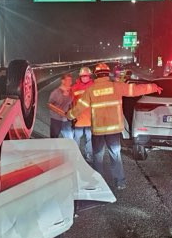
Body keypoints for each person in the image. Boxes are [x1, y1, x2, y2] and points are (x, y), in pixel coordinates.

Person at [67, 62, 162, 190]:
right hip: (113, 130)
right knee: (115, 155)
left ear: (96, 75)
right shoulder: (116, 86)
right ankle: (120, 182)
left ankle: (98, 182)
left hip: (98, 131)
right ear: (107, 74)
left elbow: (79, 108)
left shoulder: (91, 90)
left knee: (98, 157)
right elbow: (135, 90)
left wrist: (69, 115)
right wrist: (153, 87)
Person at [70, 67, 94, 162]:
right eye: (82, 76)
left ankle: (89, 156)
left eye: (86, 76)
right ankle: (76, 156)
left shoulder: (93, 86)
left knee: (89, 139)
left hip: (89, 119)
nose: (84, 78)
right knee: (77, 138)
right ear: (80, 76)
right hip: (80, 118)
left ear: (89, 76)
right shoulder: (74, 88)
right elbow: (71, 102)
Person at [48, 73, 74, 138]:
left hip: (66, 121)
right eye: (68, 80)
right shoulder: (56, 92)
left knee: (69, 139)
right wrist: (61, 112)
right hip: (56, 120)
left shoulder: (71, 92)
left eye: (71, 80)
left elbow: (70, 104)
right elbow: (49, 105)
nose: (70, 82)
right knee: (54, 139)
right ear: (63, 81)